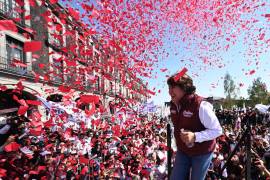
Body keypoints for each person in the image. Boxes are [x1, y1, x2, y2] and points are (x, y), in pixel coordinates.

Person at [168, 74, 223, 180]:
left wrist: (195, 136)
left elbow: (217, 130)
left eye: (173, 87)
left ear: (184, 88)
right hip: (183, 151)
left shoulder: (201, 106)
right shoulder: (173, 105)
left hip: (202, 152)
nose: (169, 92)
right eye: (169, 88)